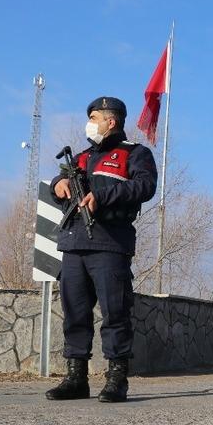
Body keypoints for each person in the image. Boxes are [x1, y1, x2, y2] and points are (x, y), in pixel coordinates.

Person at [45, 96, 157, 403]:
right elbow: (60, 180)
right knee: (74, 315)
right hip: (73, 245)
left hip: (110, 244)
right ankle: (76, 379)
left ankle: (117, 380)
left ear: (111, 121)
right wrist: (57, 185)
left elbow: (145, 186)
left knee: (115, 313)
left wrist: (102, 195)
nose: (89, 124)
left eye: (93, 118)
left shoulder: (135, 153)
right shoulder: (81, 158)